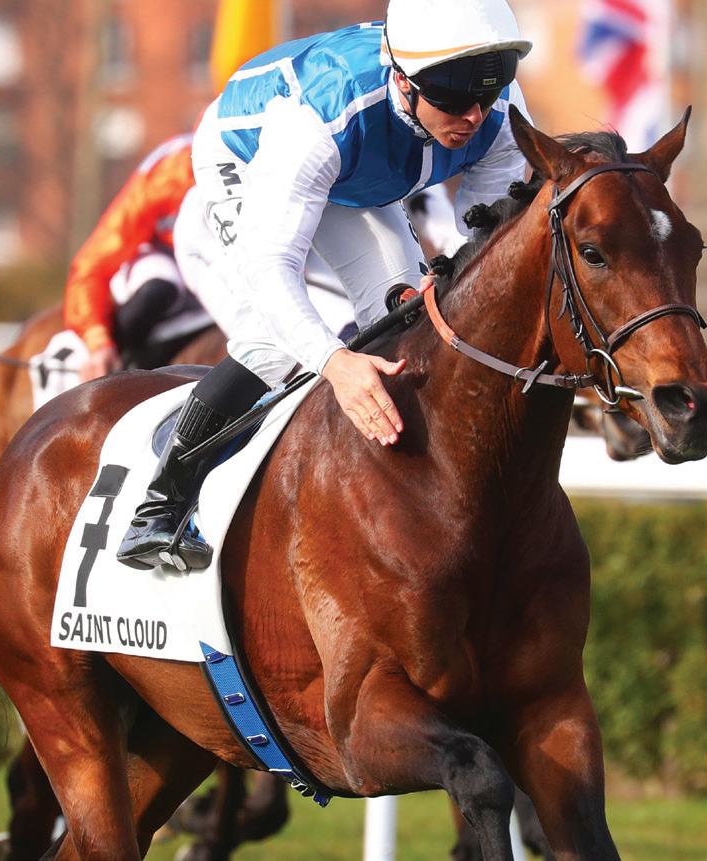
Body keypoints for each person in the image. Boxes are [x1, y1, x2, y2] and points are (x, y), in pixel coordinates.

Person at [117, 0, 533, 572]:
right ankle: (159, 504)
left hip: (356, 173)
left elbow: (481, 243)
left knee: (407, 324)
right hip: (253, 156)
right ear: (403, 81)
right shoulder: (315, 121)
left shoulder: (501, 112)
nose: (473, 117)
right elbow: (272, 272)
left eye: (486, 97)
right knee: (273, 340)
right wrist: (335, 364)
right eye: (453, 101)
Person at [63, 133, 211, 383]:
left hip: (225, 268)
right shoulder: (167, 175)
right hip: (167, 261)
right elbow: (92, 265)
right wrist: (98, 341)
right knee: (159, 289)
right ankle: (108, 371)